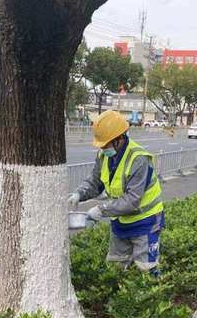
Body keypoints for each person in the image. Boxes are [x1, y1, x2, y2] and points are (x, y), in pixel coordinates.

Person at [68, 110, 164, 275]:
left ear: (119, 139)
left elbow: (132, 200)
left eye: (106, 144)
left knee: (146, 268)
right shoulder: (104, 155)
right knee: (115, 266)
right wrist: (79, 194)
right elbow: (95, 182)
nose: (103, 148)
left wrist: (101, 210)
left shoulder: (138, 159)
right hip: (121, 221)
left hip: (146, 221)